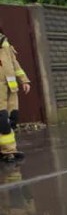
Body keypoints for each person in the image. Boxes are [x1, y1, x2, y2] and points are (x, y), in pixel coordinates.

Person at [0, 22, 31, 162]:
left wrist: (24, 80)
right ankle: (6, 152)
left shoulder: (5, 42)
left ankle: (10, 150)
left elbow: (15, 64)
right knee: (2, 121)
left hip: (11, 89)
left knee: (12, 120)